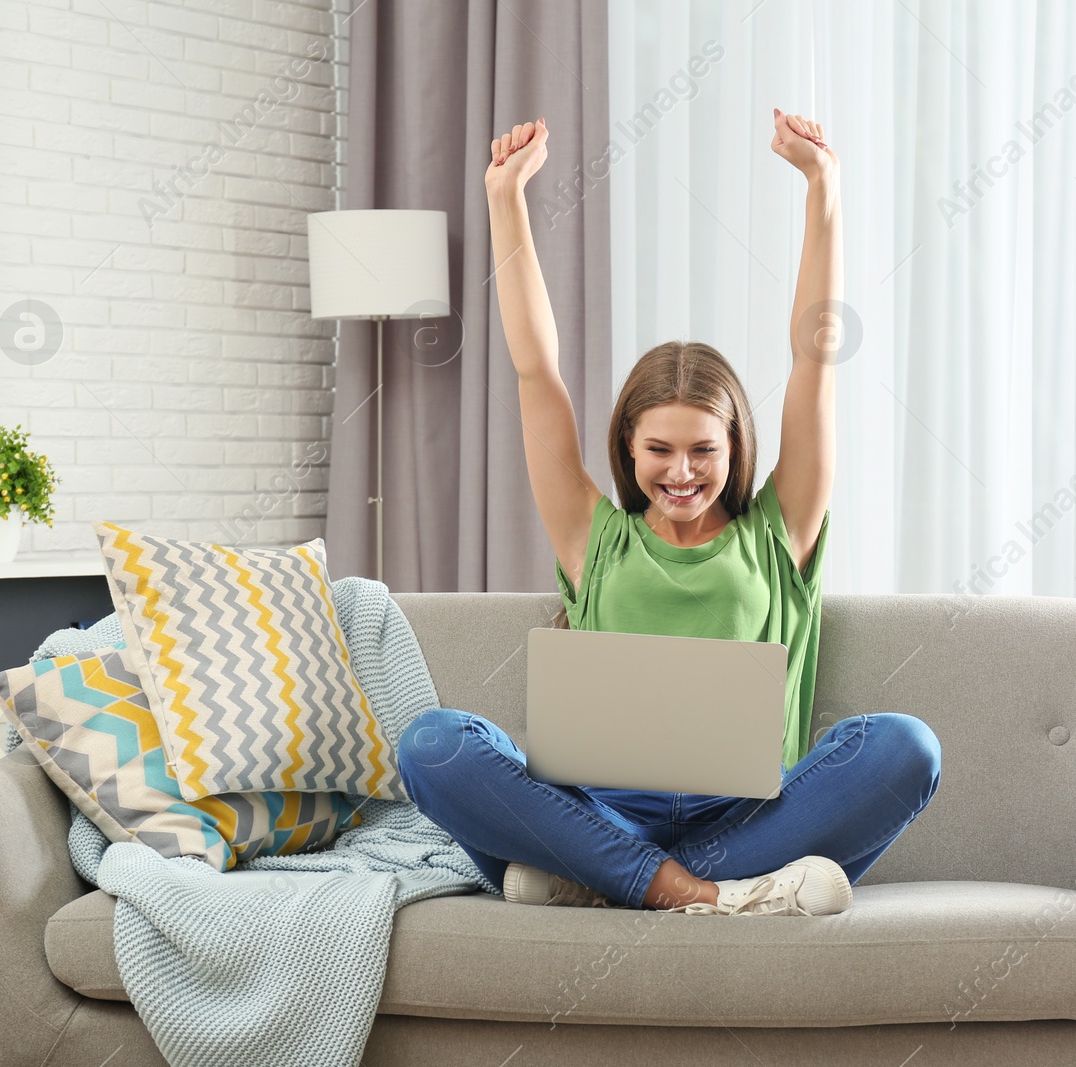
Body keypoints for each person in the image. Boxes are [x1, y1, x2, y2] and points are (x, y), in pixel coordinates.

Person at [395, 110, 942, 917]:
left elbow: (814, 360)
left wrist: (825, 187)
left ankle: (613, 881)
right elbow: (534, 371)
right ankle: (699, 894)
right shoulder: (595, 538)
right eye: (659, 450)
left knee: (905, 745)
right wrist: (504, 199)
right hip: (599, 813)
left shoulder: (778, 531)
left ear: (734, 445)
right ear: (627, 445)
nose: (681, 473)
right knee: (433, 745)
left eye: (703, 450)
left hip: (750, 819)